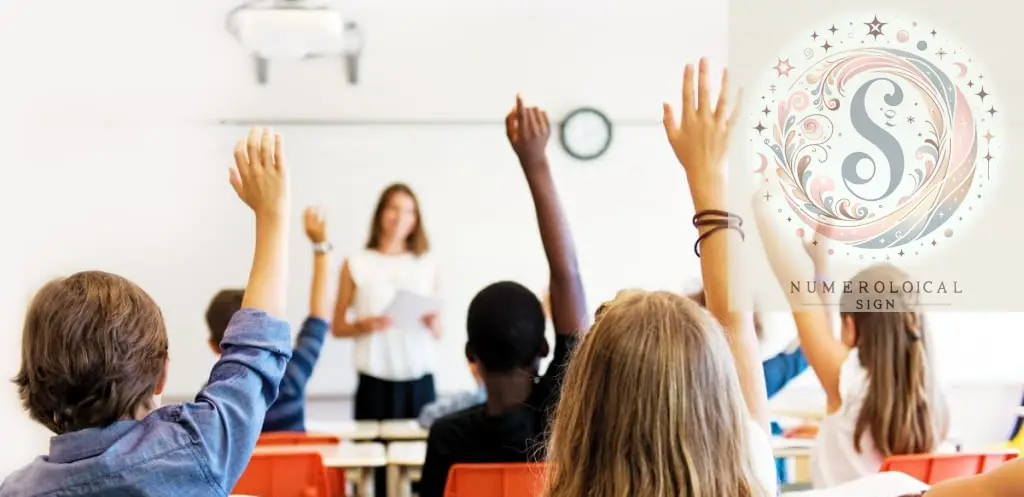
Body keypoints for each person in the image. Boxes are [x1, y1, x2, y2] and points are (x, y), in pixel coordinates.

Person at [0, 128, 292, 495]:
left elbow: (255, 351)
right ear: (161, 375)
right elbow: (254, 354)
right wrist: (273, 216)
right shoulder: (191, 453)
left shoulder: (15, 490)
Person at [543, 57, 777, 497]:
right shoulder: (749, 470)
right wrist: (706, 174)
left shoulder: (574, 480)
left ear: (585, 406)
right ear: (718, 392)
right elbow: (735, 322)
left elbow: (734, 324)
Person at [417, 95, 589, 497]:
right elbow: (567, 275)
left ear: (471, 356)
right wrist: (536, 164)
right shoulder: (561, 422)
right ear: (546, 346)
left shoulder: (447, 438)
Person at [755, 202, 949, 488]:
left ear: (850, 326)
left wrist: (765, 202)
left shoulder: (848, 382)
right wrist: (820, 262)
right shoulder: (934, 401)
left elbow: (809, 315)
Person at [205, 206, 333, 432]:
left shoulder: (212, 400)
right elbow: (320, 317)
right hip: (295, 470)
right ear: (263, 331)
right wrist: (320, 246)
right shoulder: (290, 378)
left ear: (214, 345)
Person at [332, 183, 440, 420]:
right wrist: (364, 325)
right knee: (371, 455)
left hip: (419, 380)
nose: (401, 217)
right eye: (394, 208)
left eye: (409, 211)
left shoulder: (426, 264)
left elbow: (439, 331)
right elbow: (337, 327)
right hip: (375, 382)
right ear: (380, 212)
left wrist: (432, 324)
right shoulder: (356, 263)